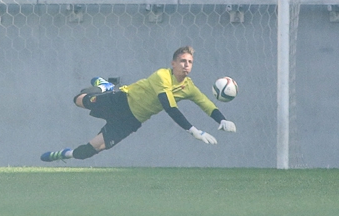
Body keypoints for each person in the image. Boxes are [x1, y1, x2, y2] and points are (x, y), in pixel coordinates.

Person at [41, 46, 238, 163]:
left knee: (94, 149)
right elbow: (169, 106)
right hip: (121, 101)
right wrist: (194, 130)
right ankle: (105, 87)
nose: (187, 65)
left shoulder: (188, 87)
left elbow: (205, 103)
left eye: (190, 62)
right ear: (173, 63)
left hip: (132, 120)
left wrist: (222, 120)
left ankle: (65, 154)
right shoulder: (162, 76)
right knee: (79, 99)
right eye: (183, 61)